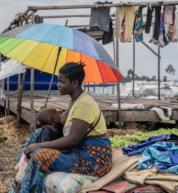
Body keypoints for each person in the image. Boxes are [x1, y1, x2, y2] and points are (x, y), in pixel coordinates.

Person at [18, 62, 112, 193]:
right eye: (58, 81)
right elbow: (61, 121)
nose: (58, 85)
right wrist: (46, 111)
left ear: (74, 83)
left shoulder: (84, 104)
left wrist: (40, 146)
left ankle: (26, 188)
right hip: (77, 151)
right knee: (37, 133)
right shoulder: (75, 100)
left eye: (62, 82)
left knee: (39, 154)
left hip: (91, 158)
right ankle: (20, 177)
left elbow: (73, 140)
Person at [14, 107, 62, 190]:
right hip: (34, 153)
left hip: (39, 151)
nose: (60, 116)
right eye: (58, 115)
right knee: (23, 175)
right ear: (53, 118)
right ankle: (18, 189)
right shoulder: (47, 130)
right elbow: (44, 144)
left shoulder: (57, 128)